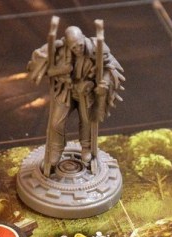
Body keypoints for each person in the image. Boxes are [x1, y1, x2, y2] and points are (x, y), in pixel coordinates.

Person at [28, 25, 124, 171]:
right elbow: (42, 69)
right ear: (68, 44)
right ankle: (56, 149)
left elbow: (110, 68)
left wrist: (102, 84)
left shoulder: (97, 49)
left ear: (83, 38)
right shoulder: (60, 50)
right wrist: (59, 66)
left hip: (86, 93)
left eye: (80, 45)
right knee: (56, 122)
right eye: (74, 47)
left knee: (87, 121)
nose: (78, 49)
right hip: (65, 91)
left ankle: (86, 147)